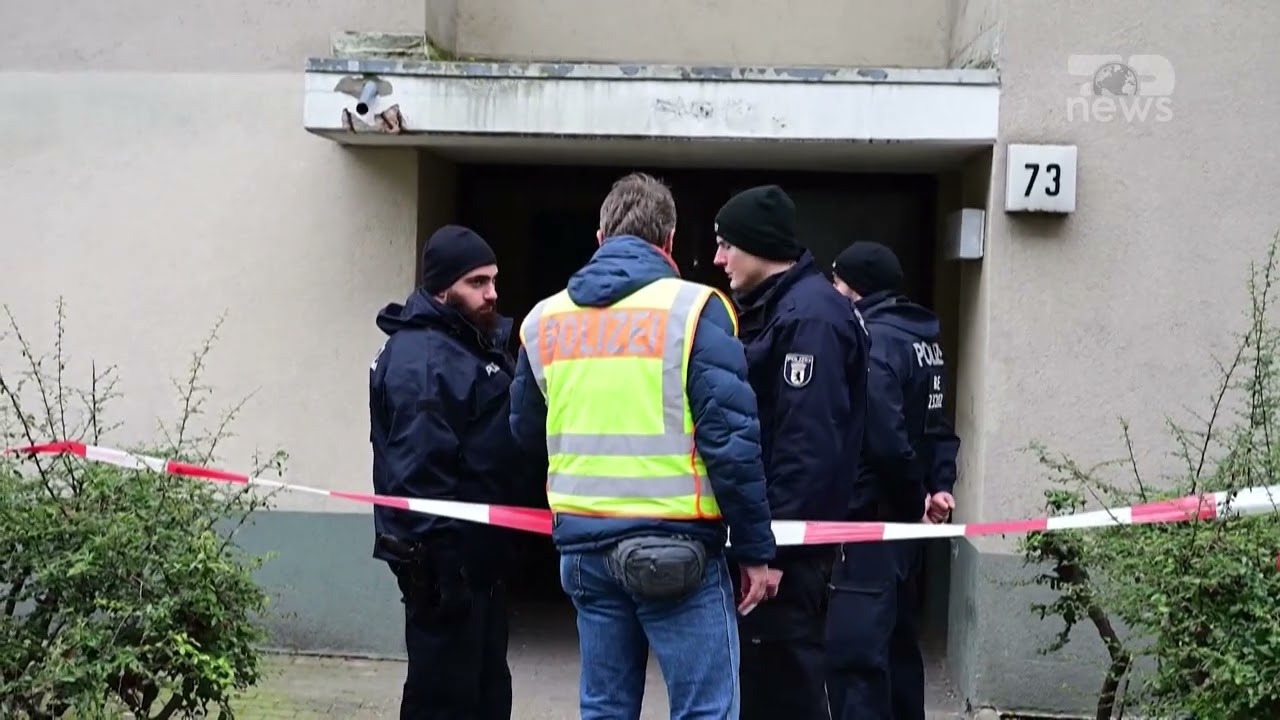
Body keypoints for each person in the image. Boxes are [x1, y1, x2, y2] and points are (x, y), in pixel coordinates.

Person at [509, 172, 778, 720]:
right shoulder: (695, 310)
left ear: (600, 237)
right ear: (670, 241)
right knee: (706, 710)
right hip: (677, 549)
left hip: (583, 549)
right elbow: (730, 442)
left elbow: (524, 434)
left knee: (605, 708)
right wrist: (755, 549)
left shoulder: (544, 321)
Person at [711, 184, 871, 720]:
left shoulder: (811, 320)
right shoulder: (781, 309)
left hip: (786, 554)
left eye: (727, 245)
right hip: (770, 544)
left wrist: (774, 551)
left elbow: (807, 447)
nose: (719, 259)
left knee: (783, 689)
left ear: (759, 246)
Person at [368, 224, 522, 720]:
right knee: (443, 701)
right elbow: (417, 479)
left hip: (478, 566)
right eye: (477, 282)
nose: (491, 293)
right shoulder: (425, 361)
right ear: (441, 289)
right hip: (445, 570)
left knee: (484, 698)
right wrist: (444, 569)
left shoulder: (468, 344)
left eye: (493, 280)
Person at [825, 240, 962, 720]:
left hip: (872, 524)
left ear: (857, 288)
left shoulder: (873, 341)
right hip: (905, 533)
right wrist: (938, 487)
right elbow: (936, 426)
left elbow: (884, 437)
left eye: (837, 282)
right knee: (899, 650)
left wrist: (914, 499)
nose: (832, 291)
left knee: (856, 659)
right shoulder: (924, 342)